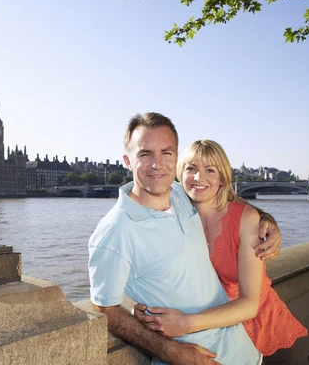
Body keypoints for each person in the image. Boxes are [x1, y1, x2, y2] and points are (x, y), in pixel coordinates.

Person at [88, 112, 281, 364]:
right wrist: (173, 352)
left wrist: (267, 220)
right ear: (127, 160)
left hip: (244, 353)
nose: (157, 164)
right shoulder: (113, 232)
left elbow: (226, 202)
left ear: (176, 158)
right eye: (145, 154)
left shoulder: (181, 194)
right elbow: (105, 309)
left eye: (166, 152)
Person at [133, 140, 308, 363]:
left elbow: (249, 304)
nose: (198, 178)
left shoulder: (245, 219)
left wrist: (185, 323)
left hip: (267, 335)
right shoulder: (175, 215)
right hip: (220, 341)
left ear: (222, 178)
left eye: (210, 170)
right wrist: (143, 312)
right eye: (191, 168)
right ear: (180, 174)